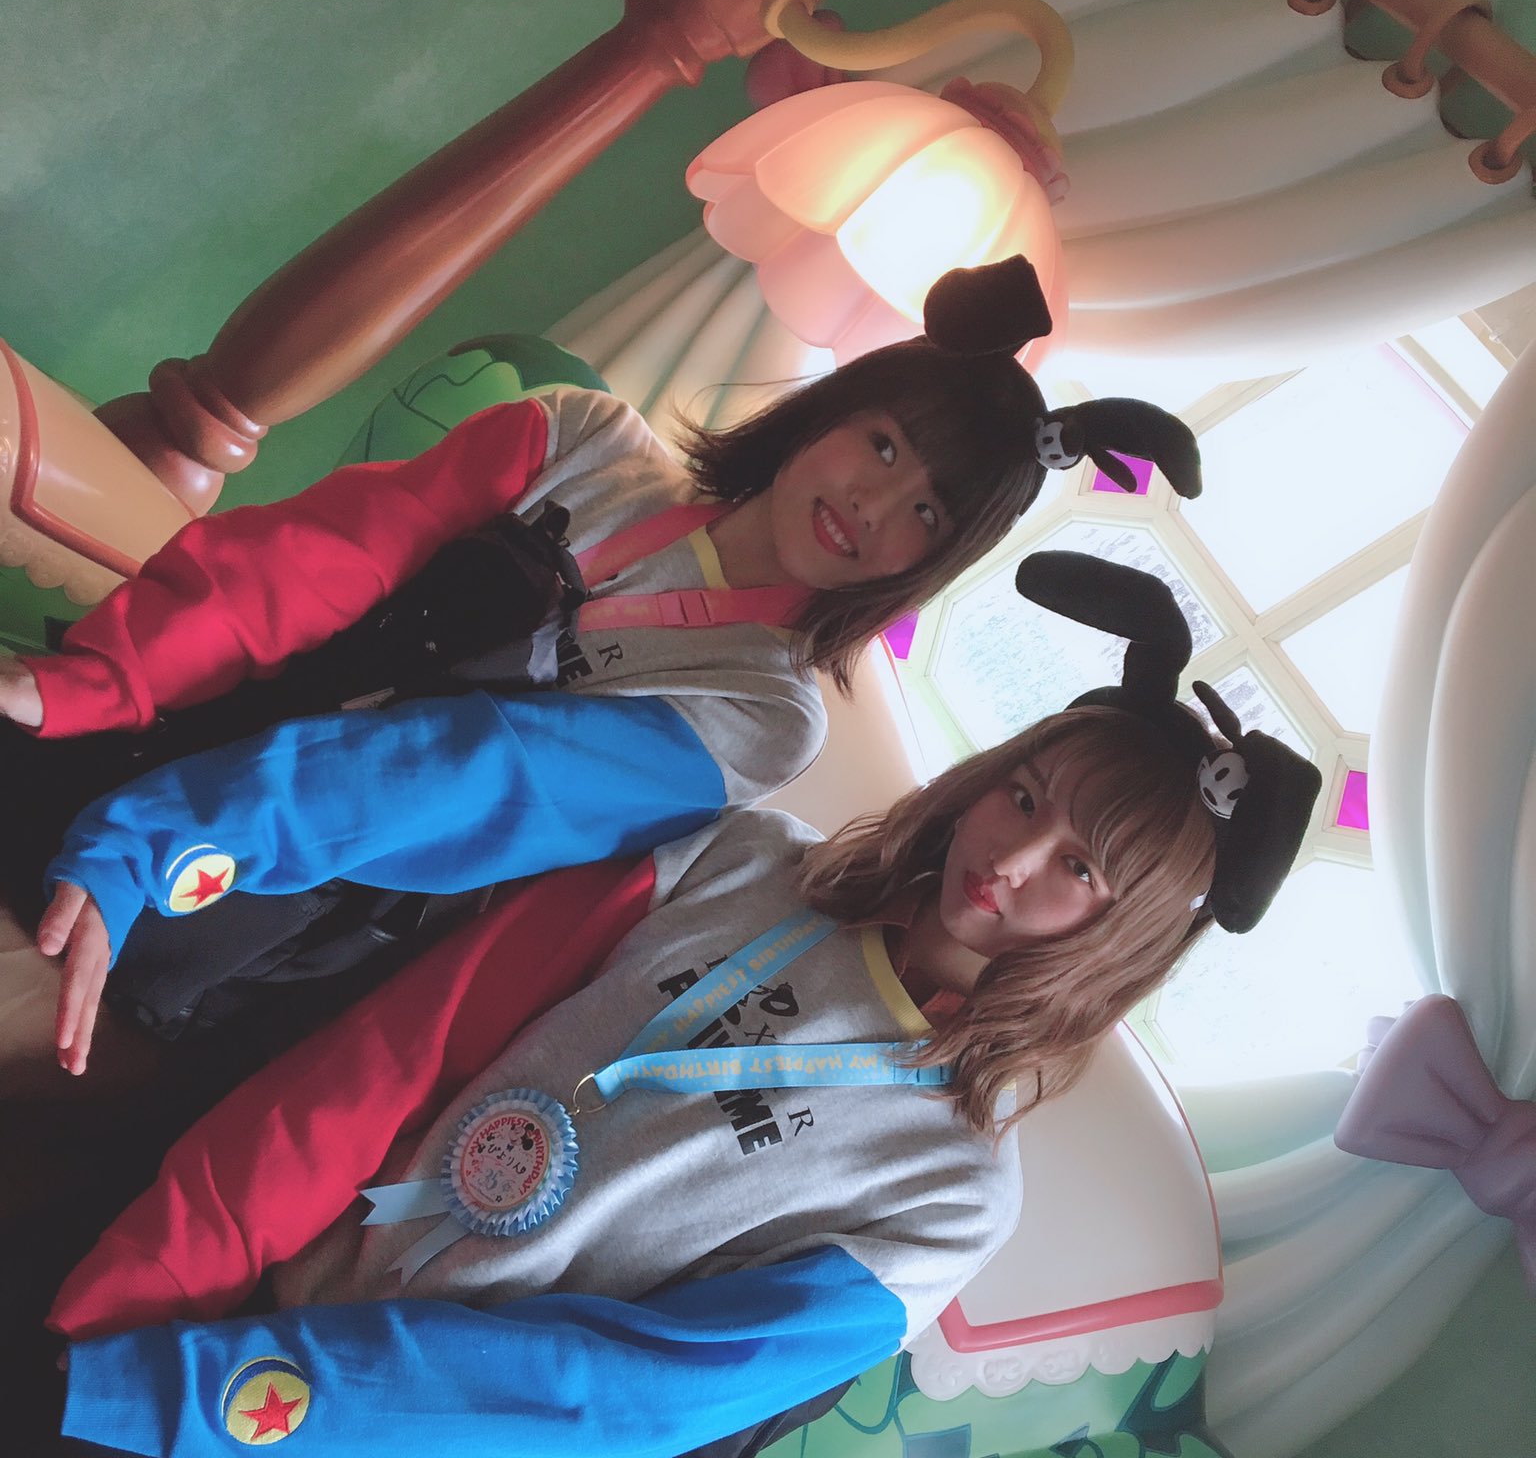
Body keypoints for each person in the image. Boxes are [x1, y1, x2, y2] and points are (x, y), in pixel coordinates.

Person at [0, 549, 1318, 1458]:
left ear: (1118, 933)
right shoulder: (746, 860)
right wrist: (182, 1257)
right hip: (284, 1255)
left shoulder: (953, 1193)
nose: (1014, 856)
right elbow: (414, 1043)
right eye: (1023, 796)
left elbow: (623, 1391)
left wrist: (201, 1384)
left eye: (1078, 868)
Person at [0, 258, 1200, 1080]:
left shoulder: (762, 717)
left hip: (262, 880)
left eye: (925, 511)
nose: (871, 505)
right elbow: (307, 562)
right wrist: (99, 682)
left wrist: (162, 839)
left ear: (927, 563)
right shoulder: (580, 434)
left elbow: (454, 779)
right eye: (882, 444)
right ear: (834, 409)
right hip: (174, 720)